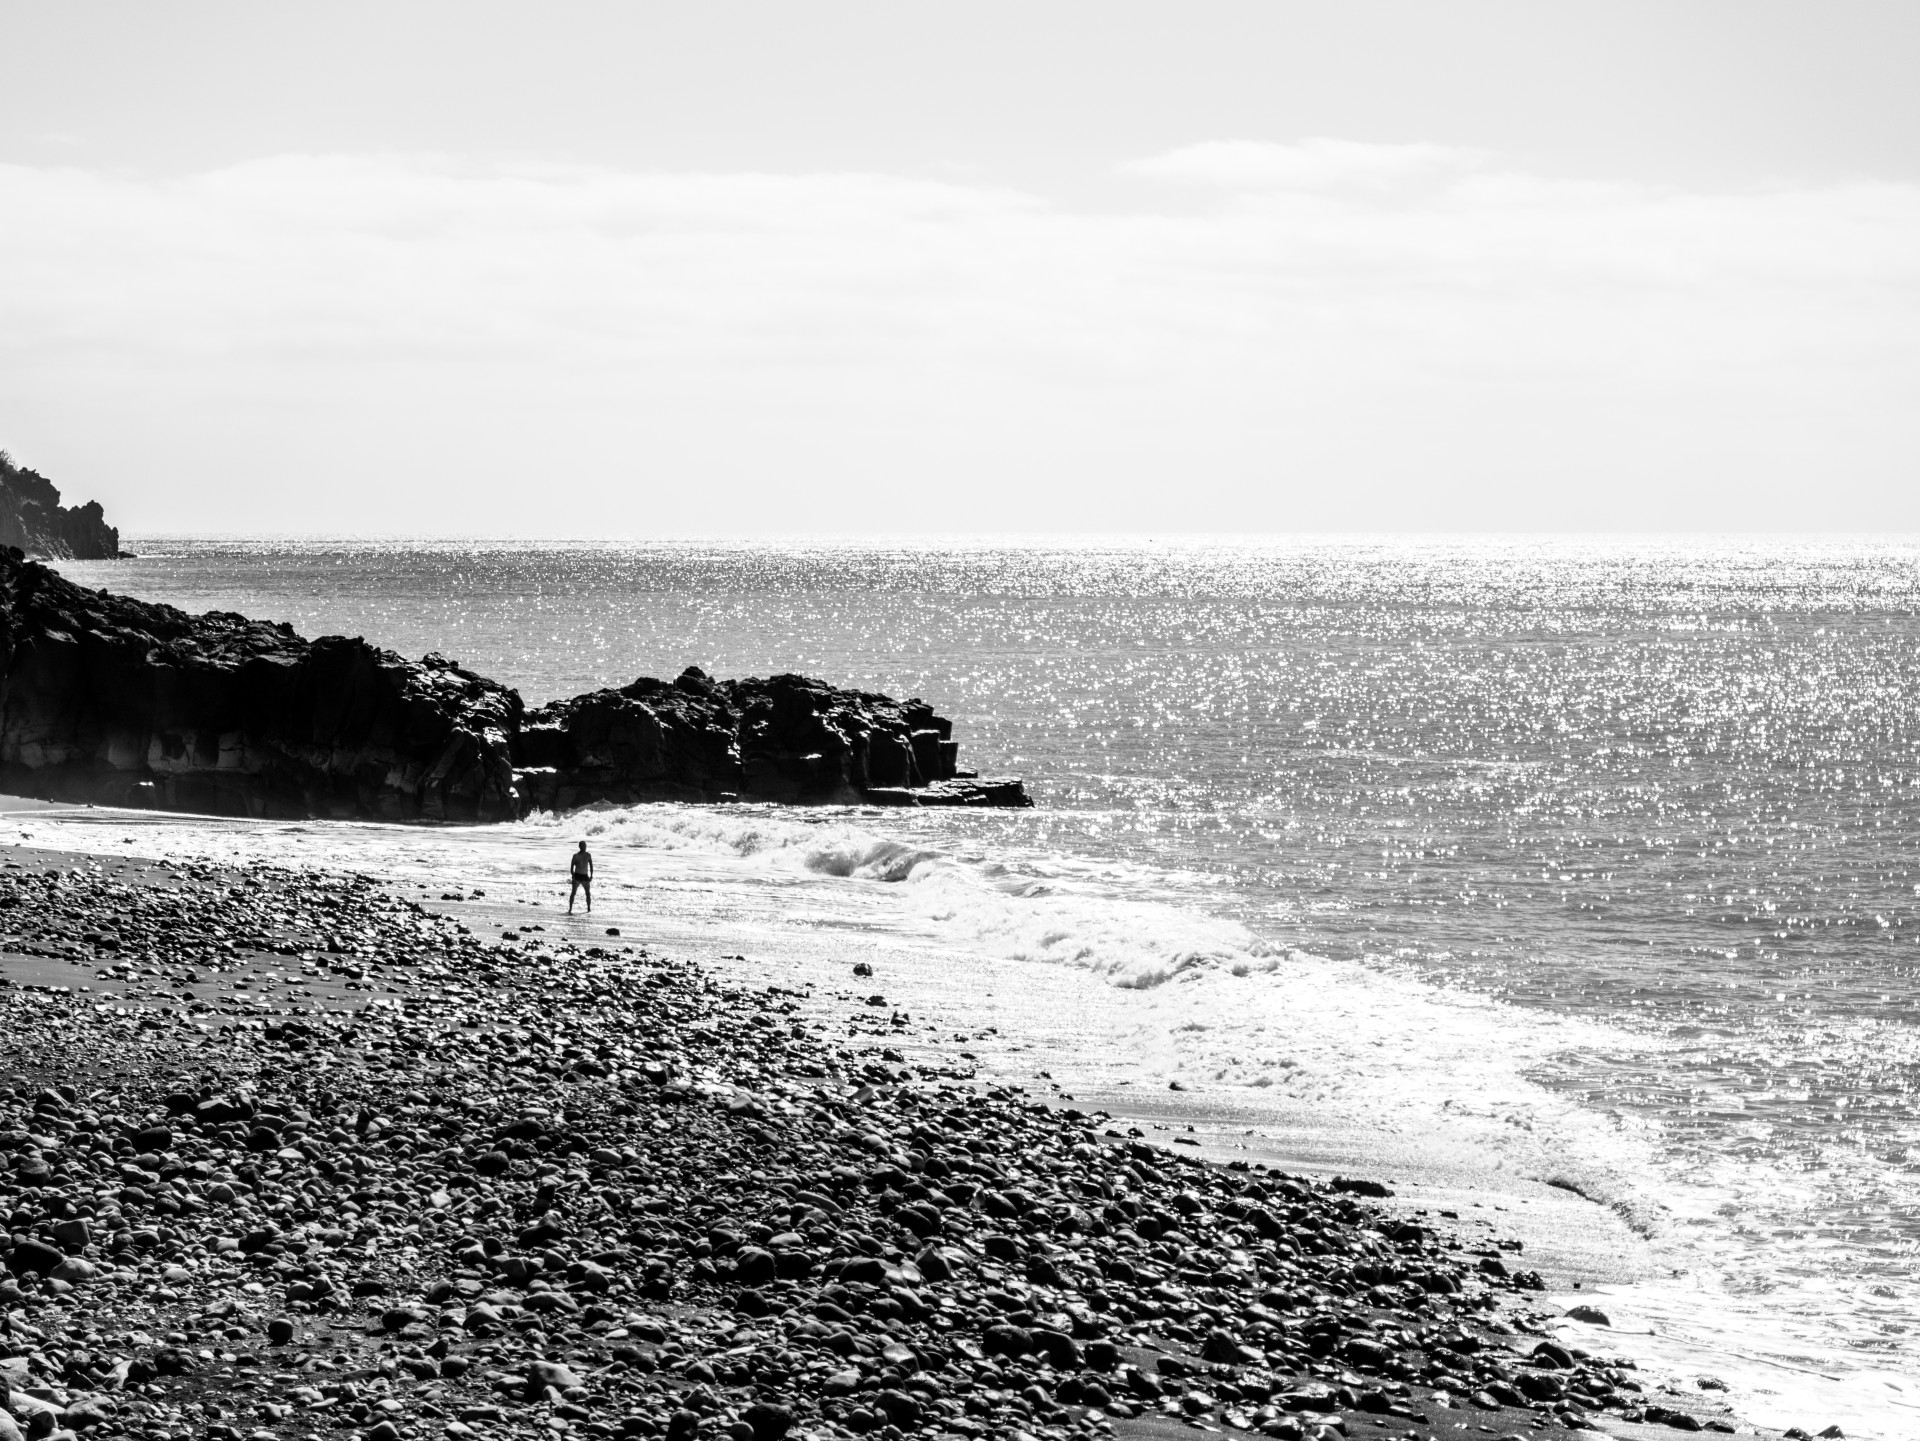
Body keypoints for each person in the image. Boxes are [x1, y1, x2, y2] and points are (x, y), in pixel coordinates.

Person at [568, 841, 593, 914]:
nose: (584, 847)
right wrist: (573, 876)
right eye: (583, 846)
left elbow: (591, 865)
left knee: (588, 893)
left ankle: (588, 909)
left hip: (585, 876)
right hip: (577, 876)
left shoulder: (588, 855)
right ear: (580, 847)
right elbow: (572, 868)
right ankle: (570, 909)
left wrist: (591, 876)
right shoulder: (576, 856)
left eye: (585, 846)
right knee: (573, 893)